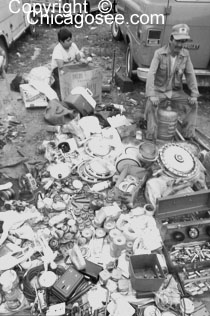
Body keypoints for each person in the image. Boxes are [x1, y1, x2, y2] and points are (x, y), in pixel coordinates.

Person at [144, 24, 199, 140]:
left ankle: (187, 135)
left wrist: (194, 94)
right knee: (150, 104)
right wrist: (151, 94)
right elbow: (151, 73)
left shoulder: (185, 55)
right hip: (159, 91)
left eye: (183, 41)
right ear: (171, 39)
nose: (180, 45)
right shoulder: (159, 53)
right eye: (177, 41)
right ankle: (151, 136)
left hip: (175, 92)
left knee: (193, 105)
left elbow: (190, 74)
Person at [51, 27, 83, 100]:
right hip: (59, 71)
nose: (71, 42)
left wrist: (83, 61)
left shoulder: (73, 46)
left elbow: (78, 58)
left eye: (71, 39)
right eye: (68, 41)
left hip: (70, 68)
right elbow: (61, 66)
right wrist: (73, 63)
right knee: (63, 91)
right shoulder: (57, 50)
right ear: (61, 42)